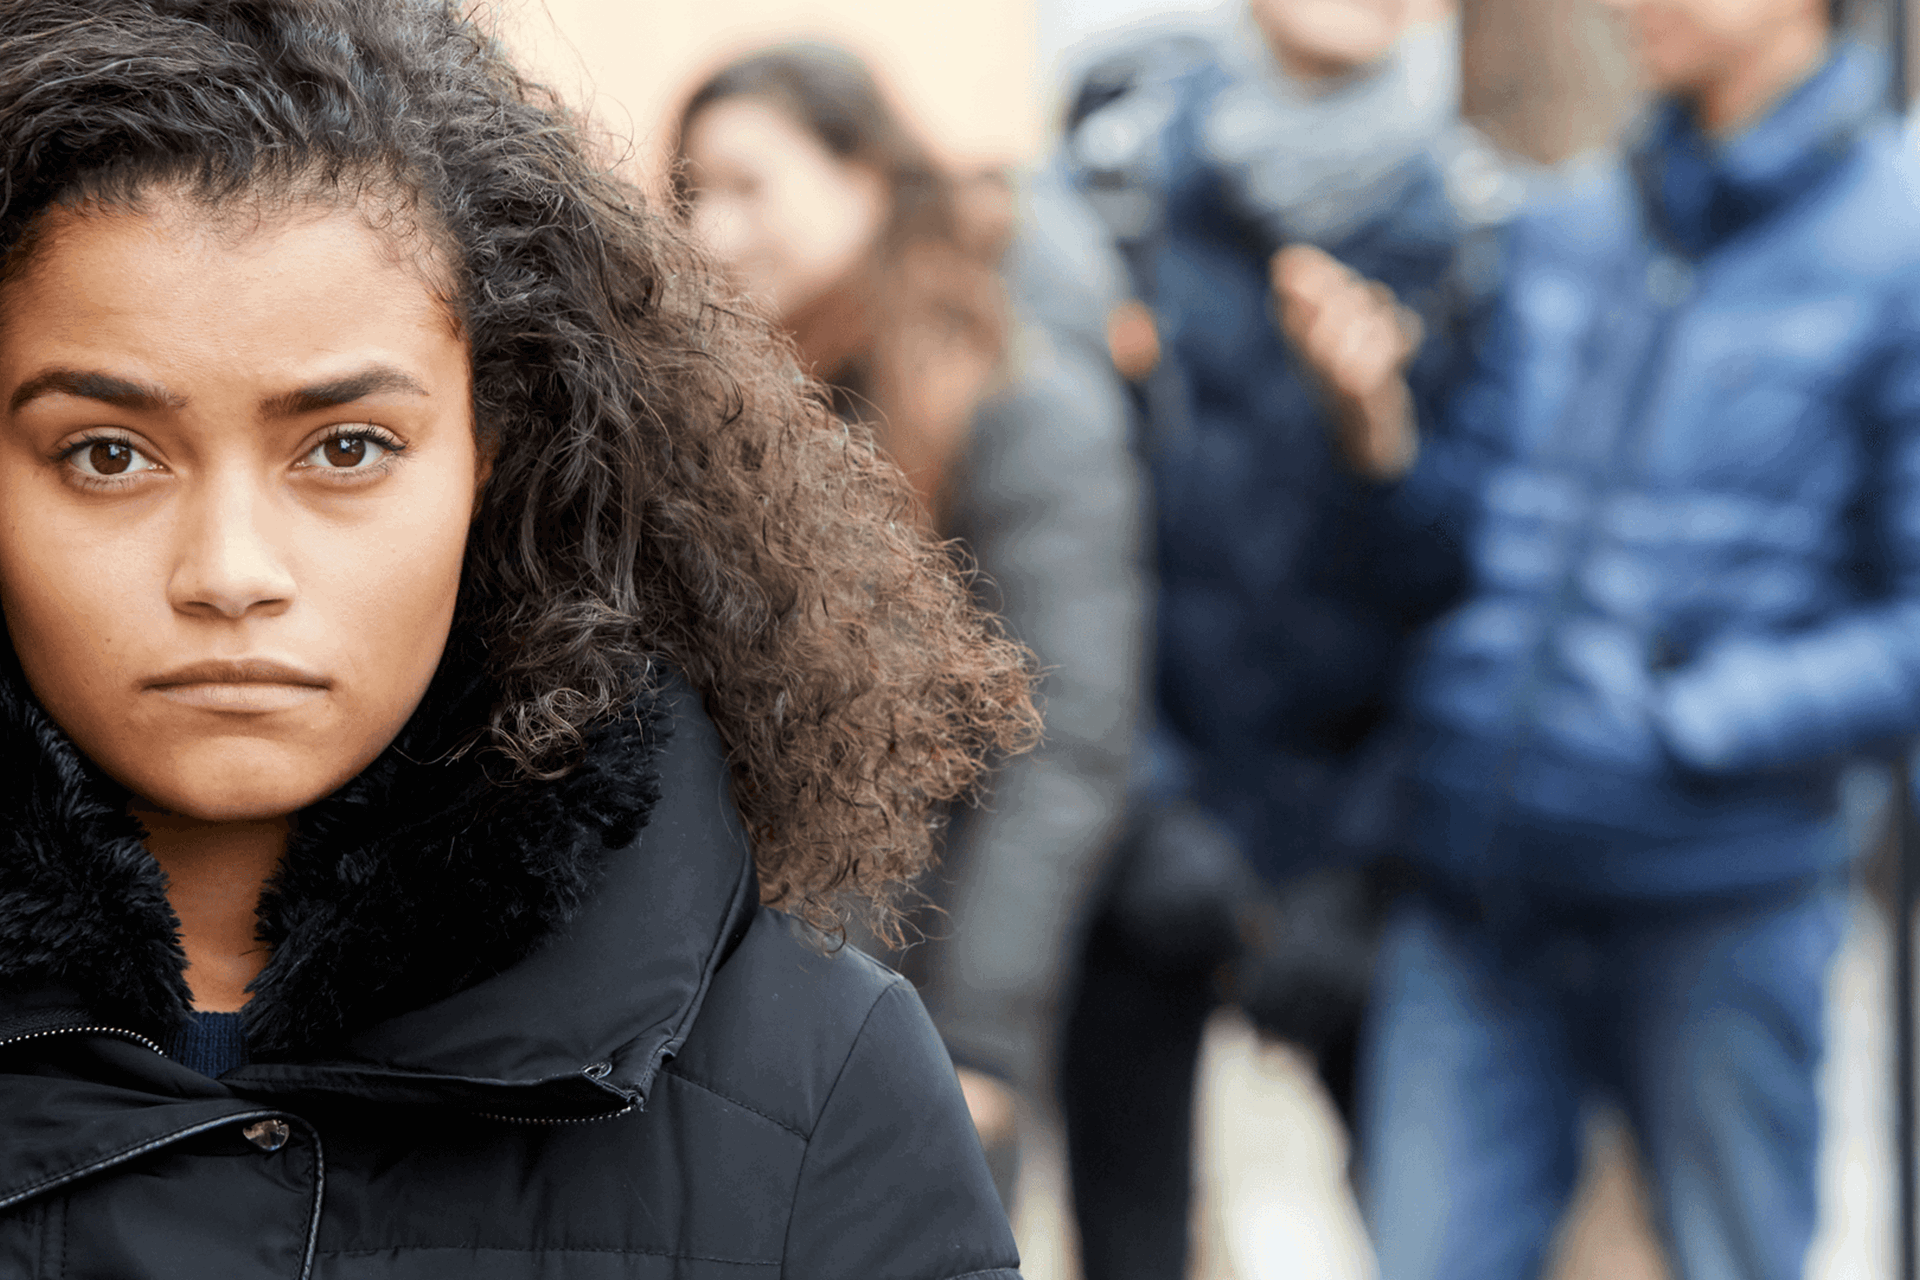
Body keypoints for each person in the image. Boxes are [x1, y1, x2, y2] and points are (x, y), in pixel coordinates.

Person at [0, 2, 1042, 1277]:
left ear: (495, 462)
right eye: (108, 455)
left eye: (345, 448)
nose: (230, 572)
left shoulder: (819, 1079)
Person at [1277, 0, 1908, 1276]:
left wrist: (1690, 722)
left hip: (1719, 899)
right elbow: (1452, 546)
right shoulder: (1572, 222)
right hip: (1476, 883)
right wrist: (1379, 436)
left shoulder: (1895, 244)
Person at [674, 46, 1145, 1202]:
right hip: (750, 1012)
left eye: (749, 186)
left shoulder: (1017, 404)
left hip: (921, 1007)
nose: (712, 230)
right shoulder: (733, 408)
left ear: (867, 178)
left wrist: (981, 1042)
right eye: (690, 195)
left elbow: (1065, 748)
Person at [1050, 1, 1477, 1274]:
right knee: (1132, 1237)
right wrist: (1149, 803)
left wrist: (1366, 860)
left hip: (1372, 850)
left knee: (1440, 1231)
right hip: (1142, 817)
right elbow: (1057, 554)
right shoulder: (1110, 193)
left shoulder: (1485, 230)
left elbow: (1483, 585)